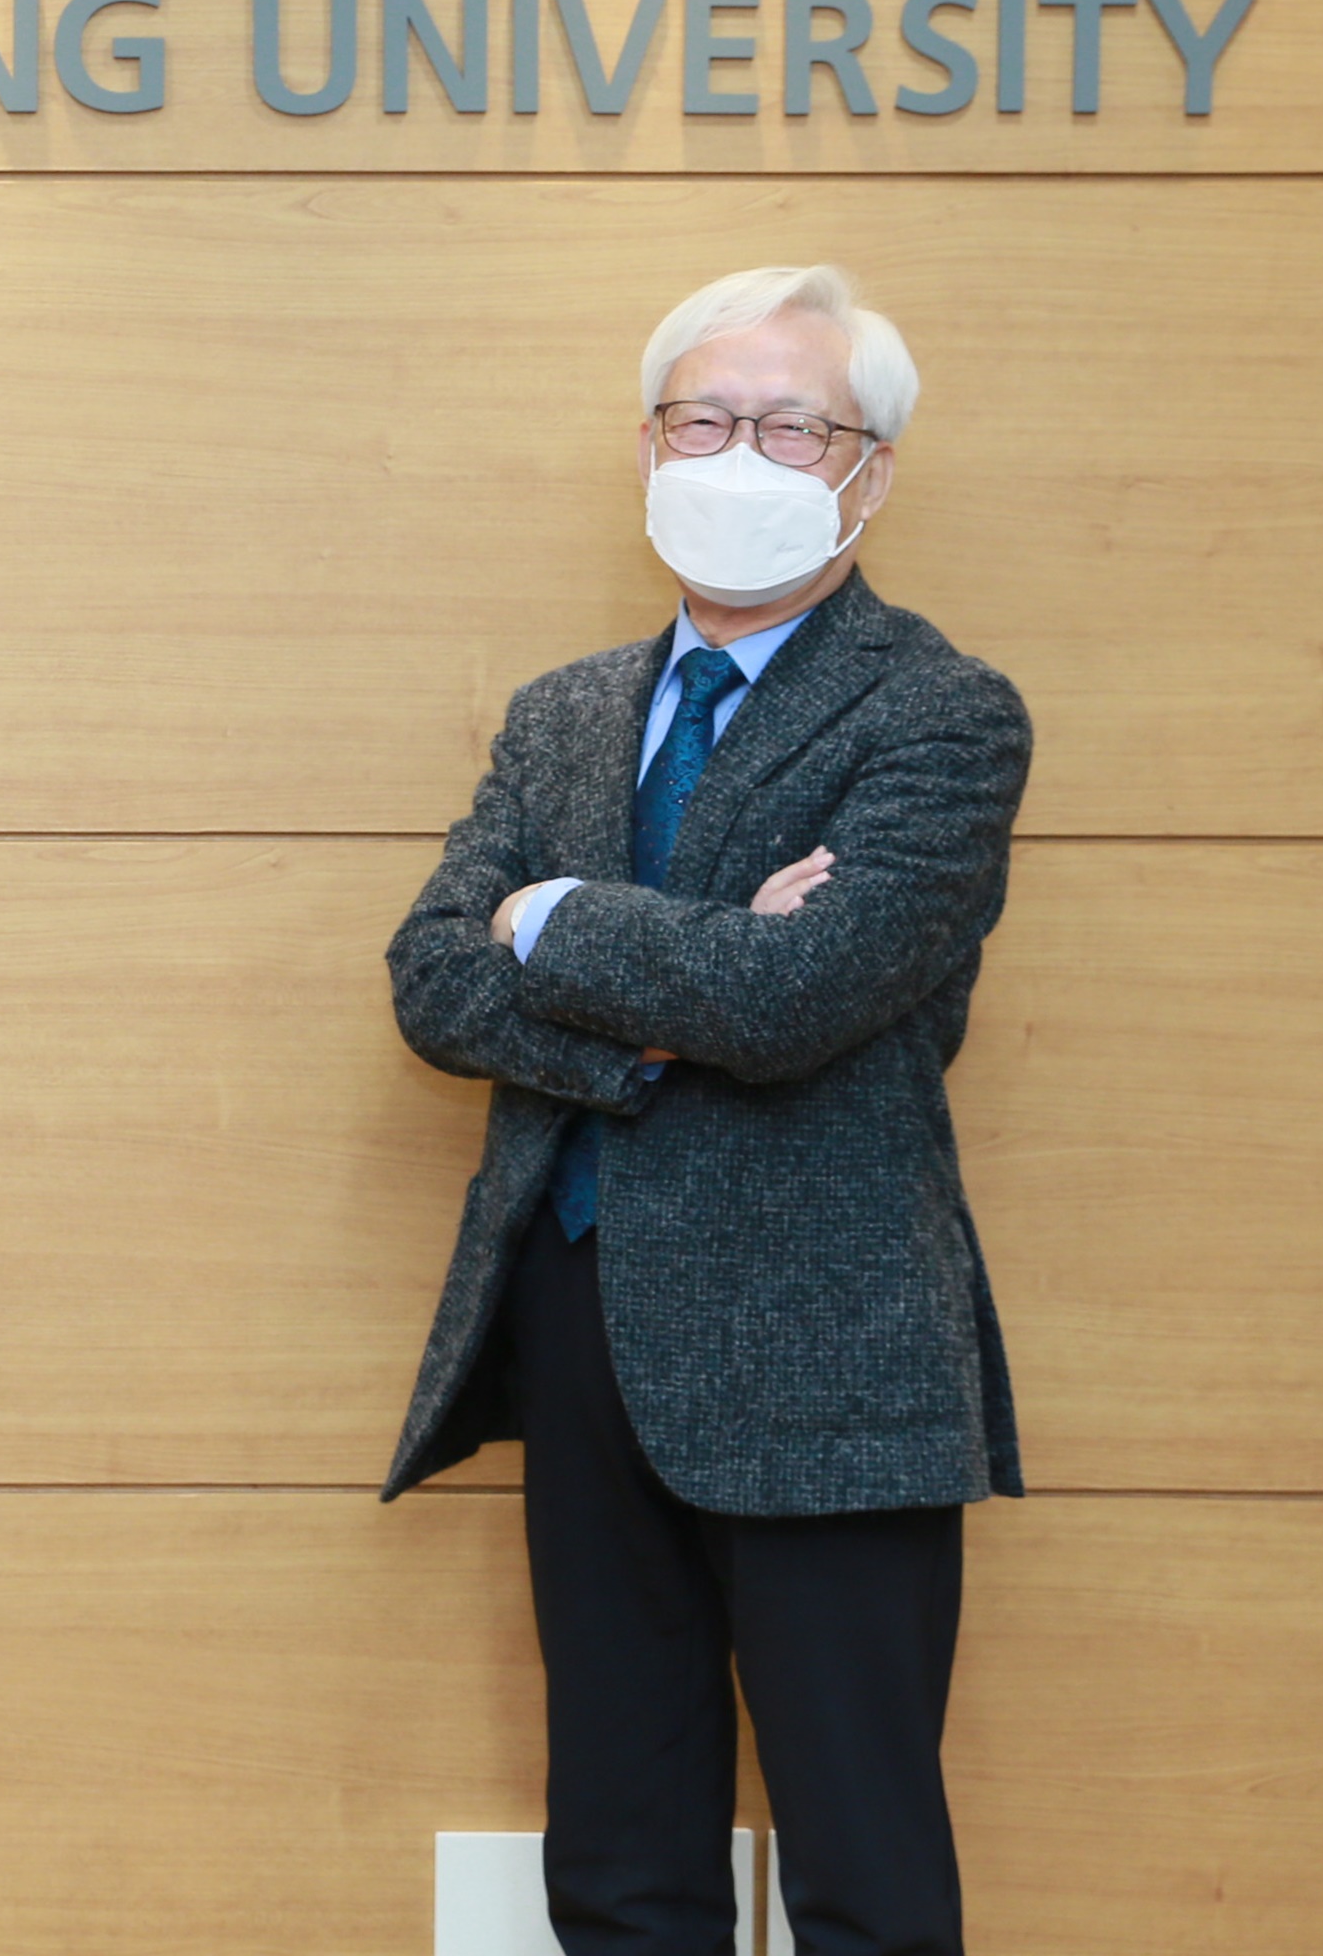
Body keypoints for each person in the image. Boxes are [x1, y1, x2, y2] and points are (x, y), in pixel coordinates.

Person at [380, 266, 1032, 1956]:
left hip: (829, 1345)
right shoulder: (565, 713)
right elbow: (433, 980)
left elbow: (799, 998)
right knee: (617, 1865)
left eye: (791, 425)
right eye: (704, 419)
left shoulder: (942, 713)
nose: (739, 455)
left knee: (864, 1877)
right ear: (647, 448)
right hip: (579, 1311)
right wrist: (688, 986)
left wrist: (554, 917)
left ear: (869, 469)